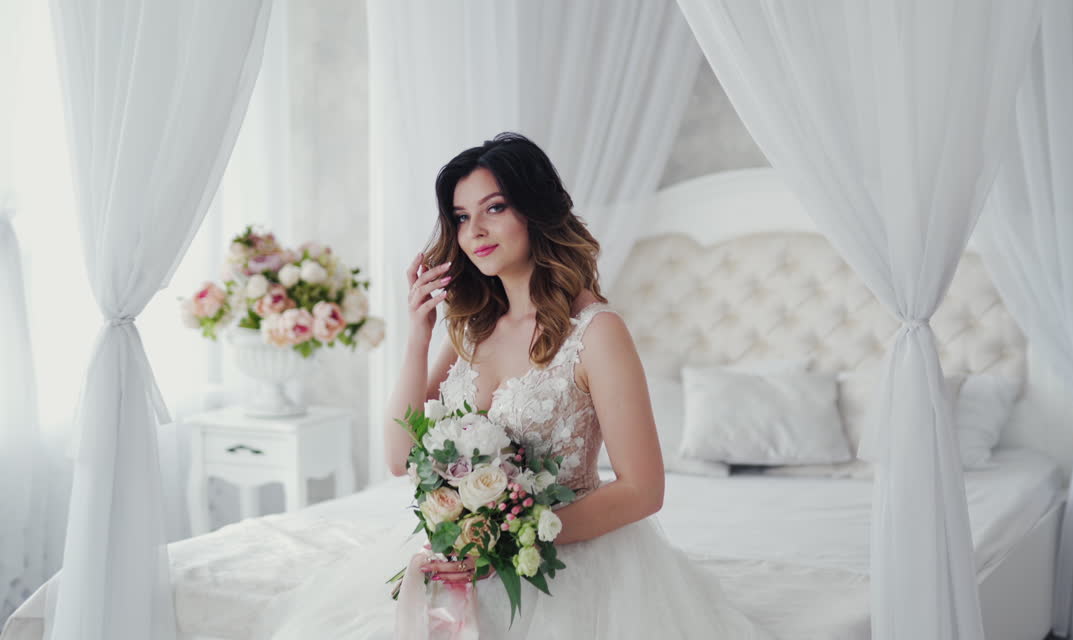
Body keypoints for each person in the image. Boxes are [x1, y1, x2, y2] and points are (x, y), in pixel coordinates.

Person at [259, 133, 773, 639]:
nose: (474, 230)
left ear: (533, 210)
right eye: (461, 217)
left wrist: (501, 540)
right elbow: (399, 458)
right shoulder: (474, 328)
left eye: (494, 208)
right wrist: (418, 337)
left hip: (563, 564)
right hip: (462, 554)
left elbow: (644, 489)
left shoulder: (596, 333)